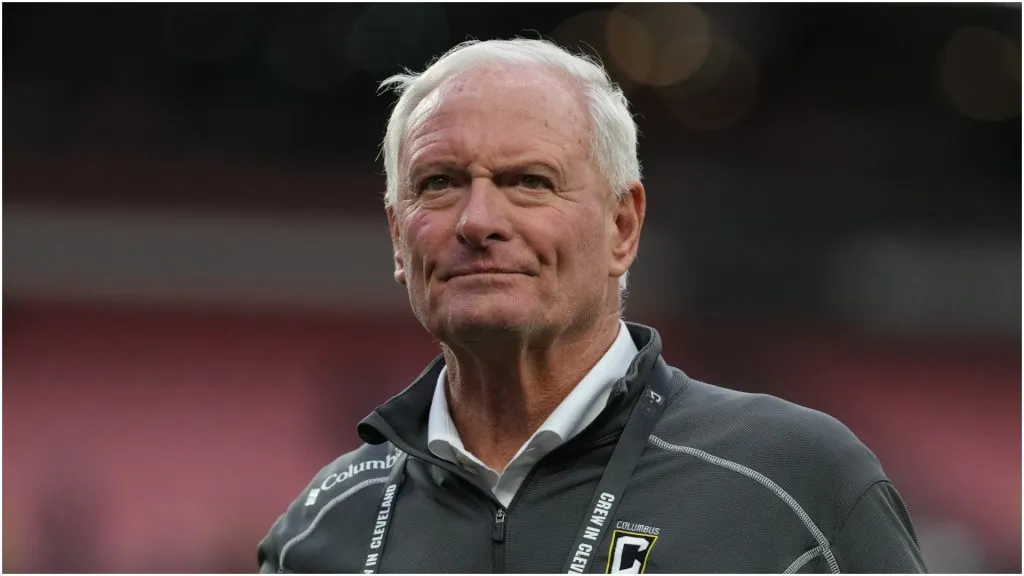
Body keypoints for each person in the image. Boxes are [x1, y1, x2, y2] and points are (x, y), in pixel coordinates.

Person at [257, 38, 926, 574]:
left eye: (529, 182)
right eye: (439, 183)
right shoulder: (321, 532)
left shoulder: (792, 482)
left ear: (622, 227)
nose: (478, 220)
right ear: (398, 236)